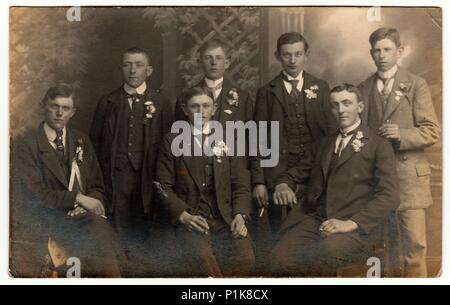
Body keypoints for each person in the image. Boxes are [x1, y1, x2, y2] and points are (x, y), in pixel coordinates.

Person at [270, 84, 400, 277]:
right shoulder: (324, 143)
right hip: (316, 219)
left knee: (324, 254)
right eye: (335, 105)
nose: (340, 110)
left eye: (347, 103)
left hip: (354, 226)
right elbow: (294, 173)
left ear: (360, 107)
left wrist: (351, 223)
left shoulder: (378, 145)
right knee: (278, 257)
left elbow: (390, 197)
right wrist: (282, 184)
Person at [12, 84, 124, 277]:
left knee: (101, 231)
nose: (59, 113)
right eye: (54, 106)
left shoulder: (81, 140)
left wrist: (89, 203)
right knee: (99, 233)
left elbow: (97, 185)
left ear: (72, 112)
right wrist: (77, 199)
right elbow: (34, 193)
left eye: (65, 108)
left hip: (82, 216)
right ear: (43, 106)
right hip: (47, 218)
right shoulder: (27, 144)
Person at [358, 27, 440, 277]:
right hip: (378, 181)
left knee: (414, 247)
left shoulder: (416, 84)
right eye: (376, 50)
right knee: (383, 249)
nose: (381, 55)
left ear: (399, 51)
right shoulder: (363, 88)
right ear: (371, 53)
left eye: (387, 49)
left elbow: (432, 132)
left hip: (410, 182)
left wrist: (401, 134)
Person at [156, 87, 255, 277]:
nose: (201, 112)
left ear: (214, 108)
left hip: (225, 220)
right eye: (195, 106)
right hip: (192, 220)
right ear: (185, 109)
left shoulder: (228, 139)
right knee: (203, 260)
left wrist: (240, 215)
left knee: (246, 257)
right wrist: (184, 216)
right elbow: (162, 186)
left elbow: (240, 184)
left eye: (206, 106)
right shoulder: (172, 141)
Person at [90, 47, 172, 270]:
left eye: (139, 65)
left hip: (149, 179)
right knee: (119, 230)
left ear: (149, 70)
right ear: (121, 68)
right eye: (127, 64)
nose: (133, 70)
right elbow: (94, 146)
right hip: (116, 179)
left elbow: (170, 146)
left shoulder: (161, 103)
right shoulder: (107, 103)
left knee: (147, 230)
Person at [251, 32, 336, 237]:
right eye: (286, 55)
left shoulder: (321, 87)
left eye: (297, 54)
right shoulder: (266, 92)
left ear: (306, 55)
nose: (292, 60)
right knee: (281, 233)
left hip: (315, 171)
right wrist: (259, 182)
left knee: (314, 231)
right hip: (278, 173)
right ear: (277, 56)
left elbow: (331, 135)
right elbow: (258, 140)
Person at [174, 39, 253, 125]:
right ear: (200, 63)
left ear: (227, 63)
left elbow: (249, 136)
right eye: (208, 58)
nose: (214, 62)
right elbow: (180, 134)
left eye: (218, 58)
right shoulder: (185, 98)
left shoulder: (243, 98)